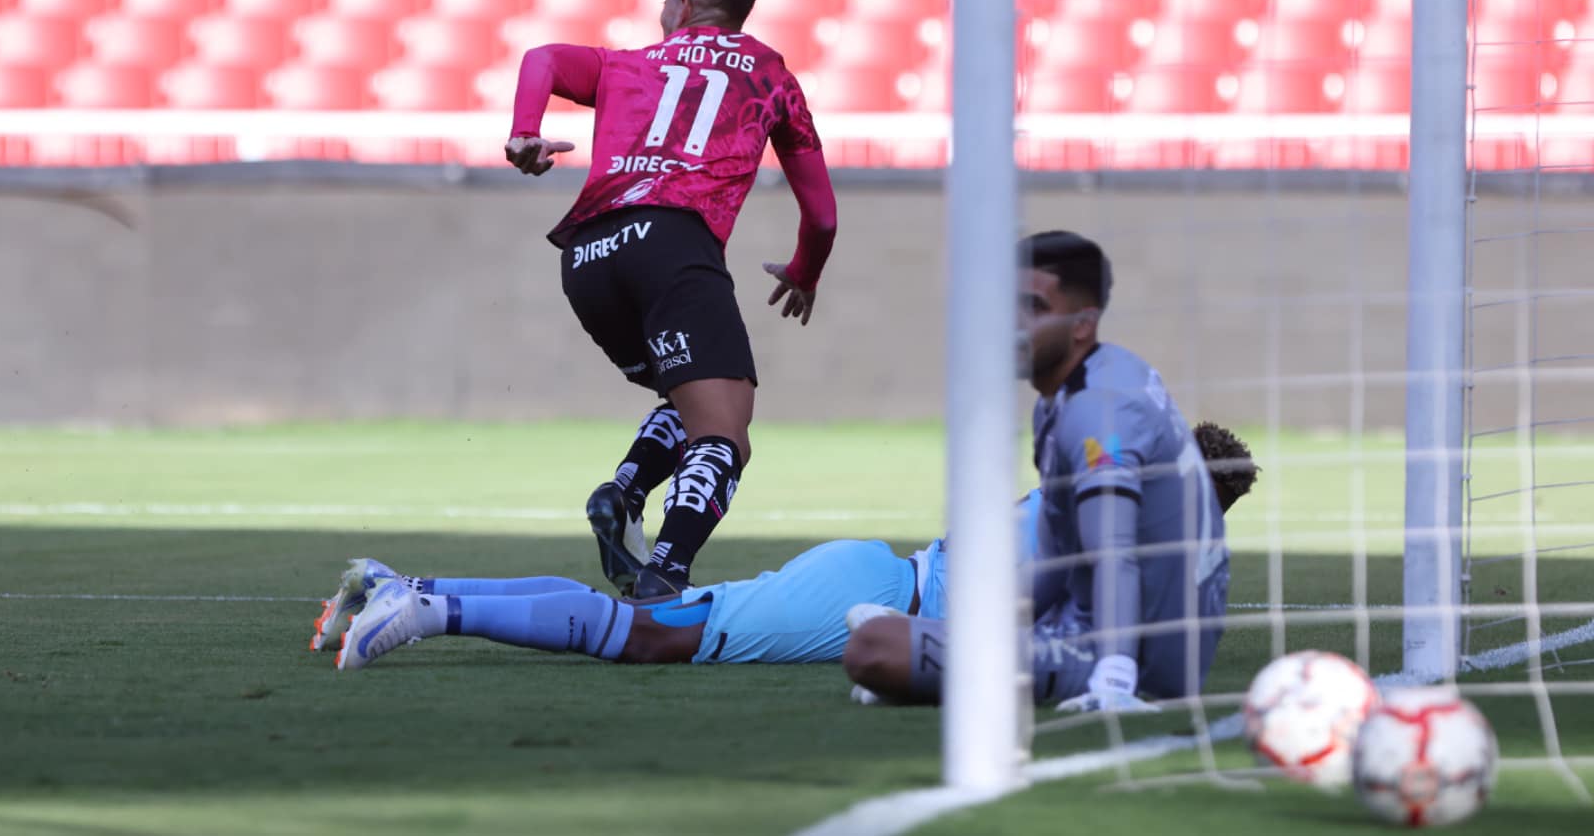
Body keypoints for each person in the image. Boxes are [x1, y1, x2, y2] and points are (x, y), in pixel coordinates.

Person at [312, 422, 1257, 672]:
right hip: (878, 597)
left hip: (881, 572)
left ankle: (414, 585)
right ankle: (434, 611)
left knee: (646, 620)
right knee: (647, 639)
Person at [504, 0, 838, 600]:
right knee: (725, 428)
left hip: (588, 255)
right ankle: (666, 574)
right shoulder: (770, 74)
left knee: (689, 397)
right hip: (672, 245)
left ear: (681, 6)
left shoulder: (625, 63)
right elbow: (821, 215)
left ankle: (626, 495)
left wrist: (525, 132)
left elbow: (540, 57)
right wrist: (804, 270)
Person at [843, 231, 1234, 711]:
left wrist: (1114, 678)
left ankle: (1100, 674)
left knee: (873, 647)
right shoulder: (1070, 396)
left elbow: (1114, 553)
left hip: (1136, 650)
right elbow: (1057, 561)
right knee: (898, 635)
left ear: (1082, 325)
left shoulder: (1098, 411)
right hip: (1100, 623)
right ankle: (945, 645)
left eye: (1033, 307)